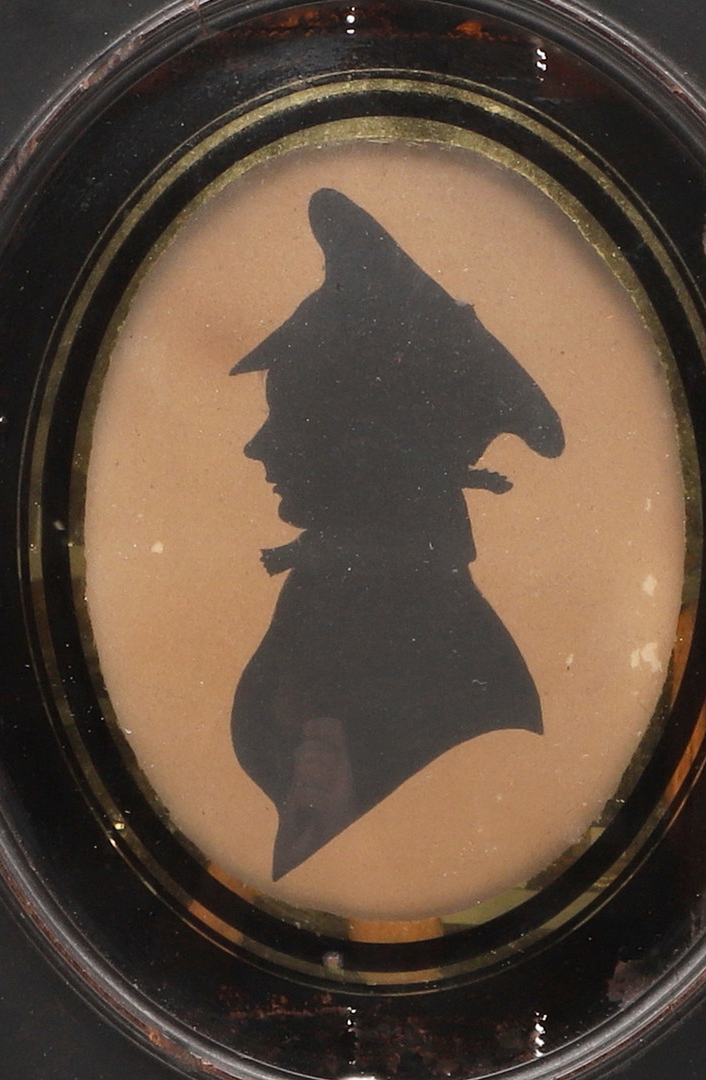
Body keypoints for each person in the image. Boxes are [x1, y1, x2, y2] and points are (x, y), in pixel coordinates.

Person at [230, 188, 564, 880]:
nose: (259, 448)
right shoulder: (339, 599)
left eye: (292, 416)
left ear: (370, 453)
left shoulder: (459, 693)